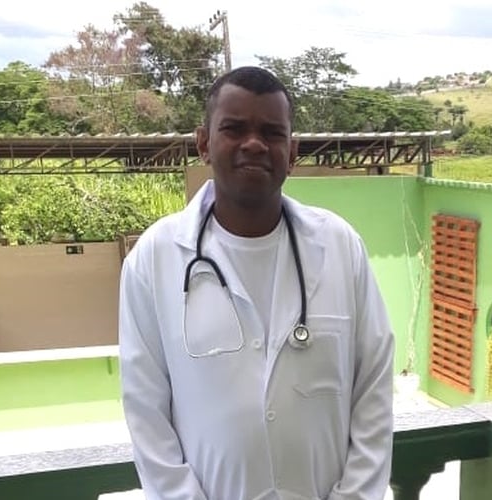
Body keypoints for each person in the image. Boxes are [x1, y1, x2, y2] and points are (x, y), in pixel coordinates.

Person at [118, 66, 395, 500]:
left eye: (272, 132)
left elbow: (373, 392)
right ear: (204, 143)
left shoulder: (341, 246)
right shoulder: (154, 258)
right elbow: (145, 411)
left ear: (292, 150)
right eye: (234, 129)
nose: (254, 144)